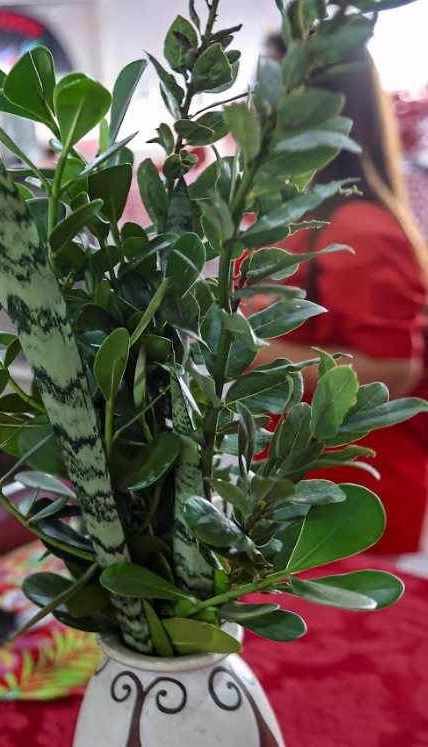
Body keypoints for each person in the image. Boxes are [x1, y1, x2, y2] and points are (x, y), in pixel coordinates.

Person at [252, 46, 428, 555]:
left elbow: (394, 370)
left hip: (352, 498)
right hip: (299, 485)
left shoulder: (360, 229)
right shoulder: (301, 213)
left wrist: (248, 354)